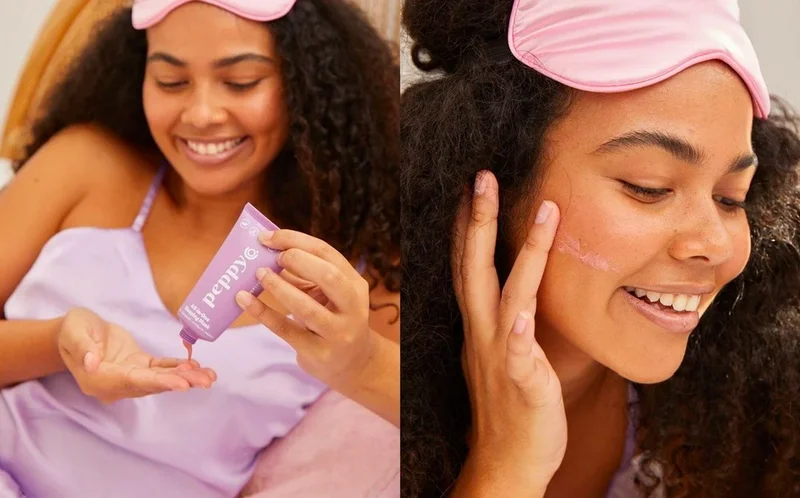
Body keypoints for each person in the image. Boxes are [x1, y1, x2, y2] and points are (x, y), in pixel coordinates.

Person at [400, 0, 800, 496]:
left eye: (729, 198)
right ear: (495, 176)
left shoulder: (749, 418)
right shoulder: (384, 411)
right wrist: (504, 466)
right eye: (648, 186)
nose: (716, 245)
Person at [0, 0, 399, 497]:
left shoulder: (360, 271)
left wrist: (360, 360)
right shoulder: (84, 164)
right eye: (170, 81)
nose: (201, 114)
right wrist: (58, 342)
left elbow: (448, 421)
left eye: (241, 82)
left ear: (307, 83)